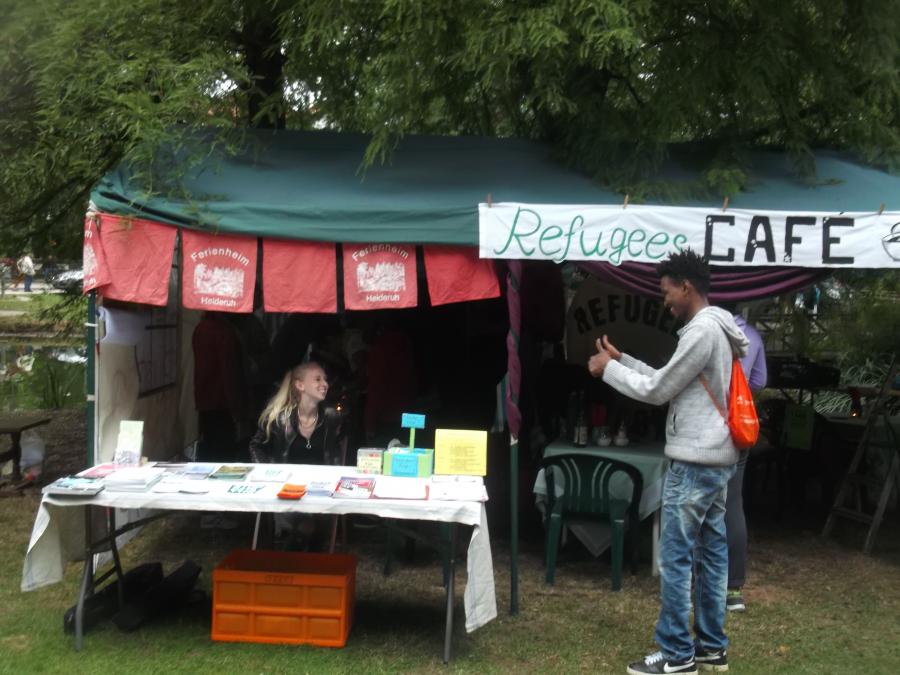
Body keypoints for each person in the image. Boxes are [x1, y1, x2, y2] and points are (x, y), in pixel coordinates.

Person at [587, 250, 749, 675]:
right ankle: (711, 648)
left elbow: (657, 391)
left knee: (676, 558)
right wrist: (623, 361)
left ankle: (677, 655)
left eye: (667, 293)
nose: (665, 302)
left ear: (686, 287)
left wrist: (607, 371)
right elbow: (671, 380)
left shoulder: (701, 332)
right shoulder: (717, 328)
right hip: (715, 458)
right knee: (711, 555)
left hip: (694, 461)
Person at [249, 361, 341, 550]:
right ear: (300, 385)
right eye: (317, 379)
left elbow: (337, 453)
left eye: (325, 379)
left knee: (314, 520)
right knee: (306, 524)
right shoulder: (279, 418)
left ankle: (298, 550)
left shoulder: (331, 417)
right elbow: (256, 446)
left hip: (321, 489)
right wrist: (268, 474)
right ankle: (305, 550)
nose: (325, 384)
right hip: (286, 489)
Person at [723, 307, 767, 613]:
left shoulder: (707, 330)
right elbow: (760, 381)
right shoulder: (752, 334)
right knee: (733, 506)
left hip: (709, 431)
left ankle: (697, 582)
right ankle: (733, 590)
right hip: (740, 429)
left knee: (700, 505)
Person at [192, 312, 243, 462]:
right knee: (223, 452)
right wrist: (237, 409)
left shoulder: (200, 328)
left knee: (210, 446)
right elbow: (229, 371)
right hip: (222, 402)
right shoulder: (224, 331)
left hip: (204, 399)